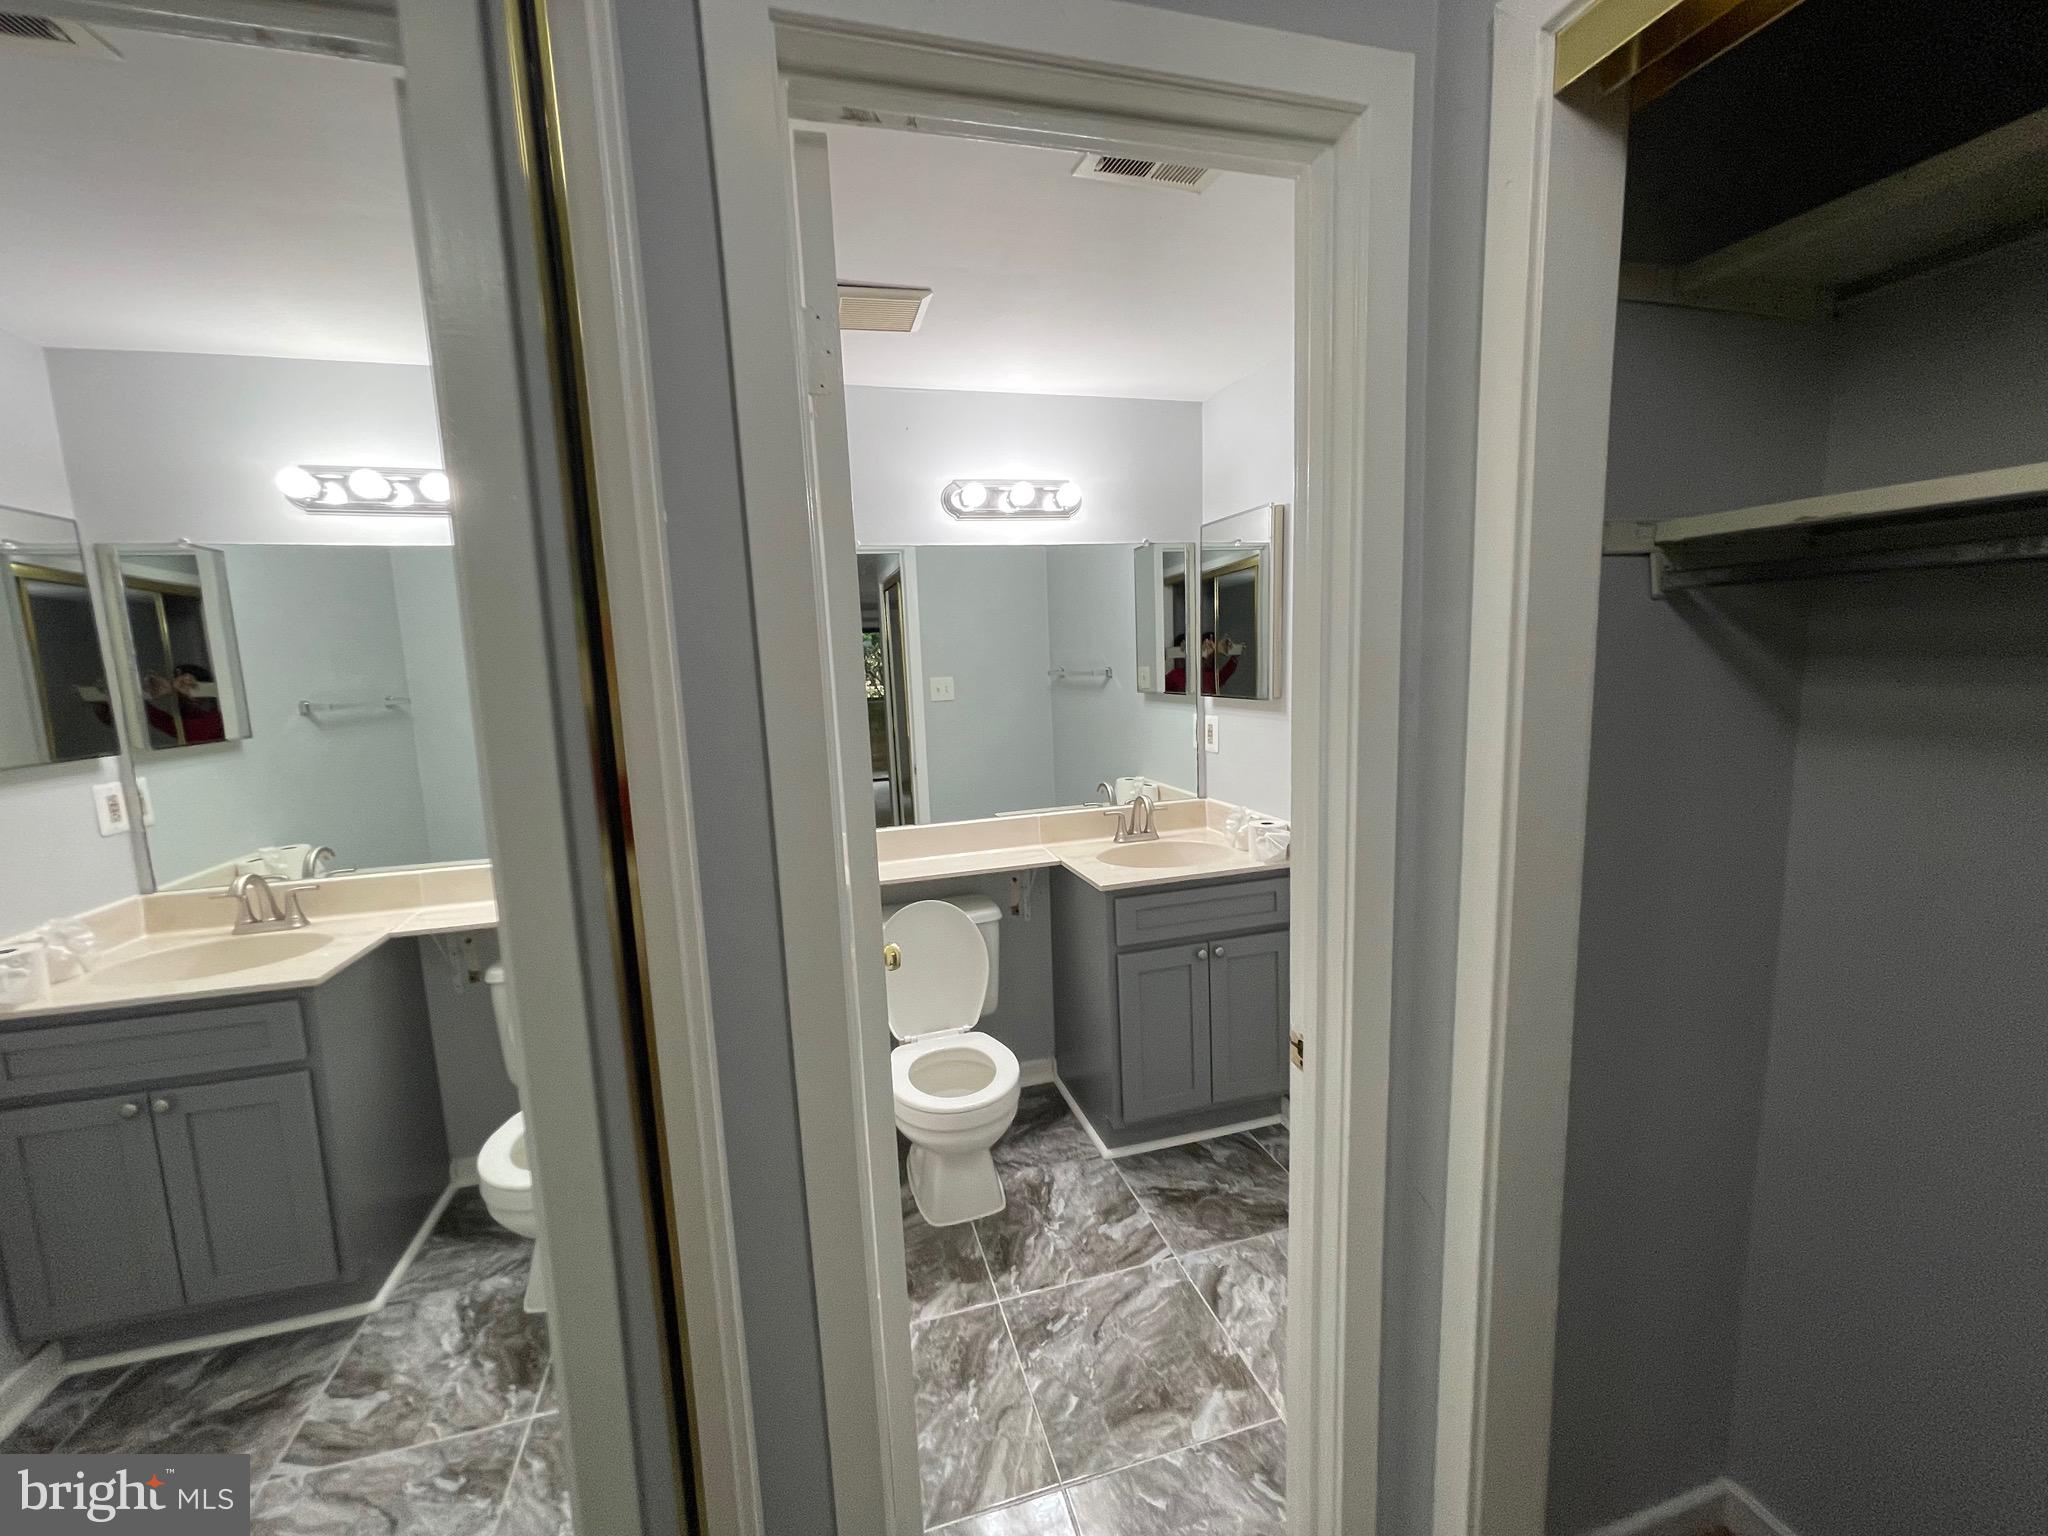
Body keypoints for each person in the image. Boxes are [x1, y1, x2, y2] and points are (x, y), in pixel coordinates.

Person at [143, 661, 226, 744]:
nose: (183, 690)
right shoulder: (183, 722)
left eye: (190, 686)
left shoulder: (217, 721)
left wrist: (201, 689)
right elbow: (144, 711)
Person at [1164, 631, 1239, 696]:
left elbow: (1226, 672)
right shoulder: (1175, 675)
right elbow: (1160, 690)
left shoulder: (1211, 676)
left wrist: (1235, 652)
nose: (1208, 656)